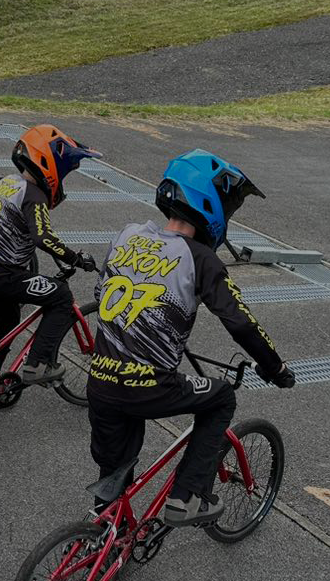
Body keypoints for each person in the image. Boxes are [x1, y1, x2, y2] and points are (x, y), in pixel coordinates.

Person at [87, 150, 295, 526]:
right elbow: (241, 323)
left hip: (101, 378)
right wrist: (275, 367)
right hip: (149, 386)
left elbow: (103, 297)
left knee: (115, 473)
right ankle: (186, 497)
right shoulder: (200, 258)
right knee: (221, 397)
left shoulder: (127, 235)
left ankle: (104, 535)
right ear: (210, 203)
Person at [0, 125, 101, 384]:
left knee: (7, 323)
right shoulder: (34, 195)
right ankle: (38, 364)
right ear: (50, 165)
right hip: (3, 276)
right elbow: (43, 237)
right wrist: (75, 258)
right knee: (61, 296)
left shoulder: (8, 182)